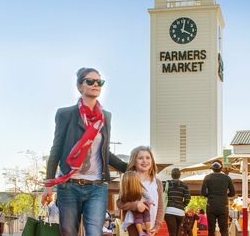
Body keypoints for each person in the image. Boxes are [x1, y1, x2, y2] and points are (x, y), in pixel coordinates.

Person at [43, 67, 127, 236]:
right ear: (79, 86)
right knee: (68, 232)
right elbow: (56, 149)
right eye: (90, 81)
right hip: (69, 185)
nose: (95, 84)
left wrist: (130, 167)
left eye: (99, 82)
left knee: (94, 233)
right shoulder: (66, 114)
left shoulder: (105, 117)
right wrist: (48, 185)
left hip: (97, 186)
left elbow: (105, 152)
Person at [117, 146, 164, 236]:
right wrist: (136, 205)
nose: (144, 161)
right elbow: (119, 203)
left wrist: (157, 225)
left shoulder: (157, 182)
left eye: (147, 158)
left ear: (152, 161)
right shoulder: (129, 179)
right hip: (134, 224)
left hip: (151, 225)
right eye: (140, 158)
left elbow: (160, 206)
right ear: (134, 161)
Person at [201, 162, 235, 236]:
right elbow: (232, 193)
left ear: (212, 169)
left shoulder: (207, 177)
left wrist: (210, 196)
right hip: (223, 205)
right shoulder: (227, 178)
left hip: (211, 205)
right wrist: (225, 195)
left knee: (211, 229)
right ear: (221, 169)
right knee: (224, 229)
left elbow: (203, 192)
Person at [119, 171, 155, 236]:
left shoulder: (125, 193)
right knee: (146, 216)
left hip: (132, 215)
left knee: (138, 218)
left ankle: (141, 231)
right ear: (136, 181)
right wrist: (147, 202)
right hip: (142, 211)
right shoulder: (141, 189)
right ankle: (148, 230)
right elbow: (148, 196)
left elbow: (122, 202)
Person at [164, 168, 191, 236]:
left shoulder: (166, 183)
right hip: (180, 212)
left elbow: (162, 195)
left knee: (172, 233)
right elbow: (187, 198)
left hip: (169, 211)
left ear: (171, 175)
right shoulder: (184, 185)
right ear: (179, 175)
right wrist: (182, 205)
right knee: (177, 233)